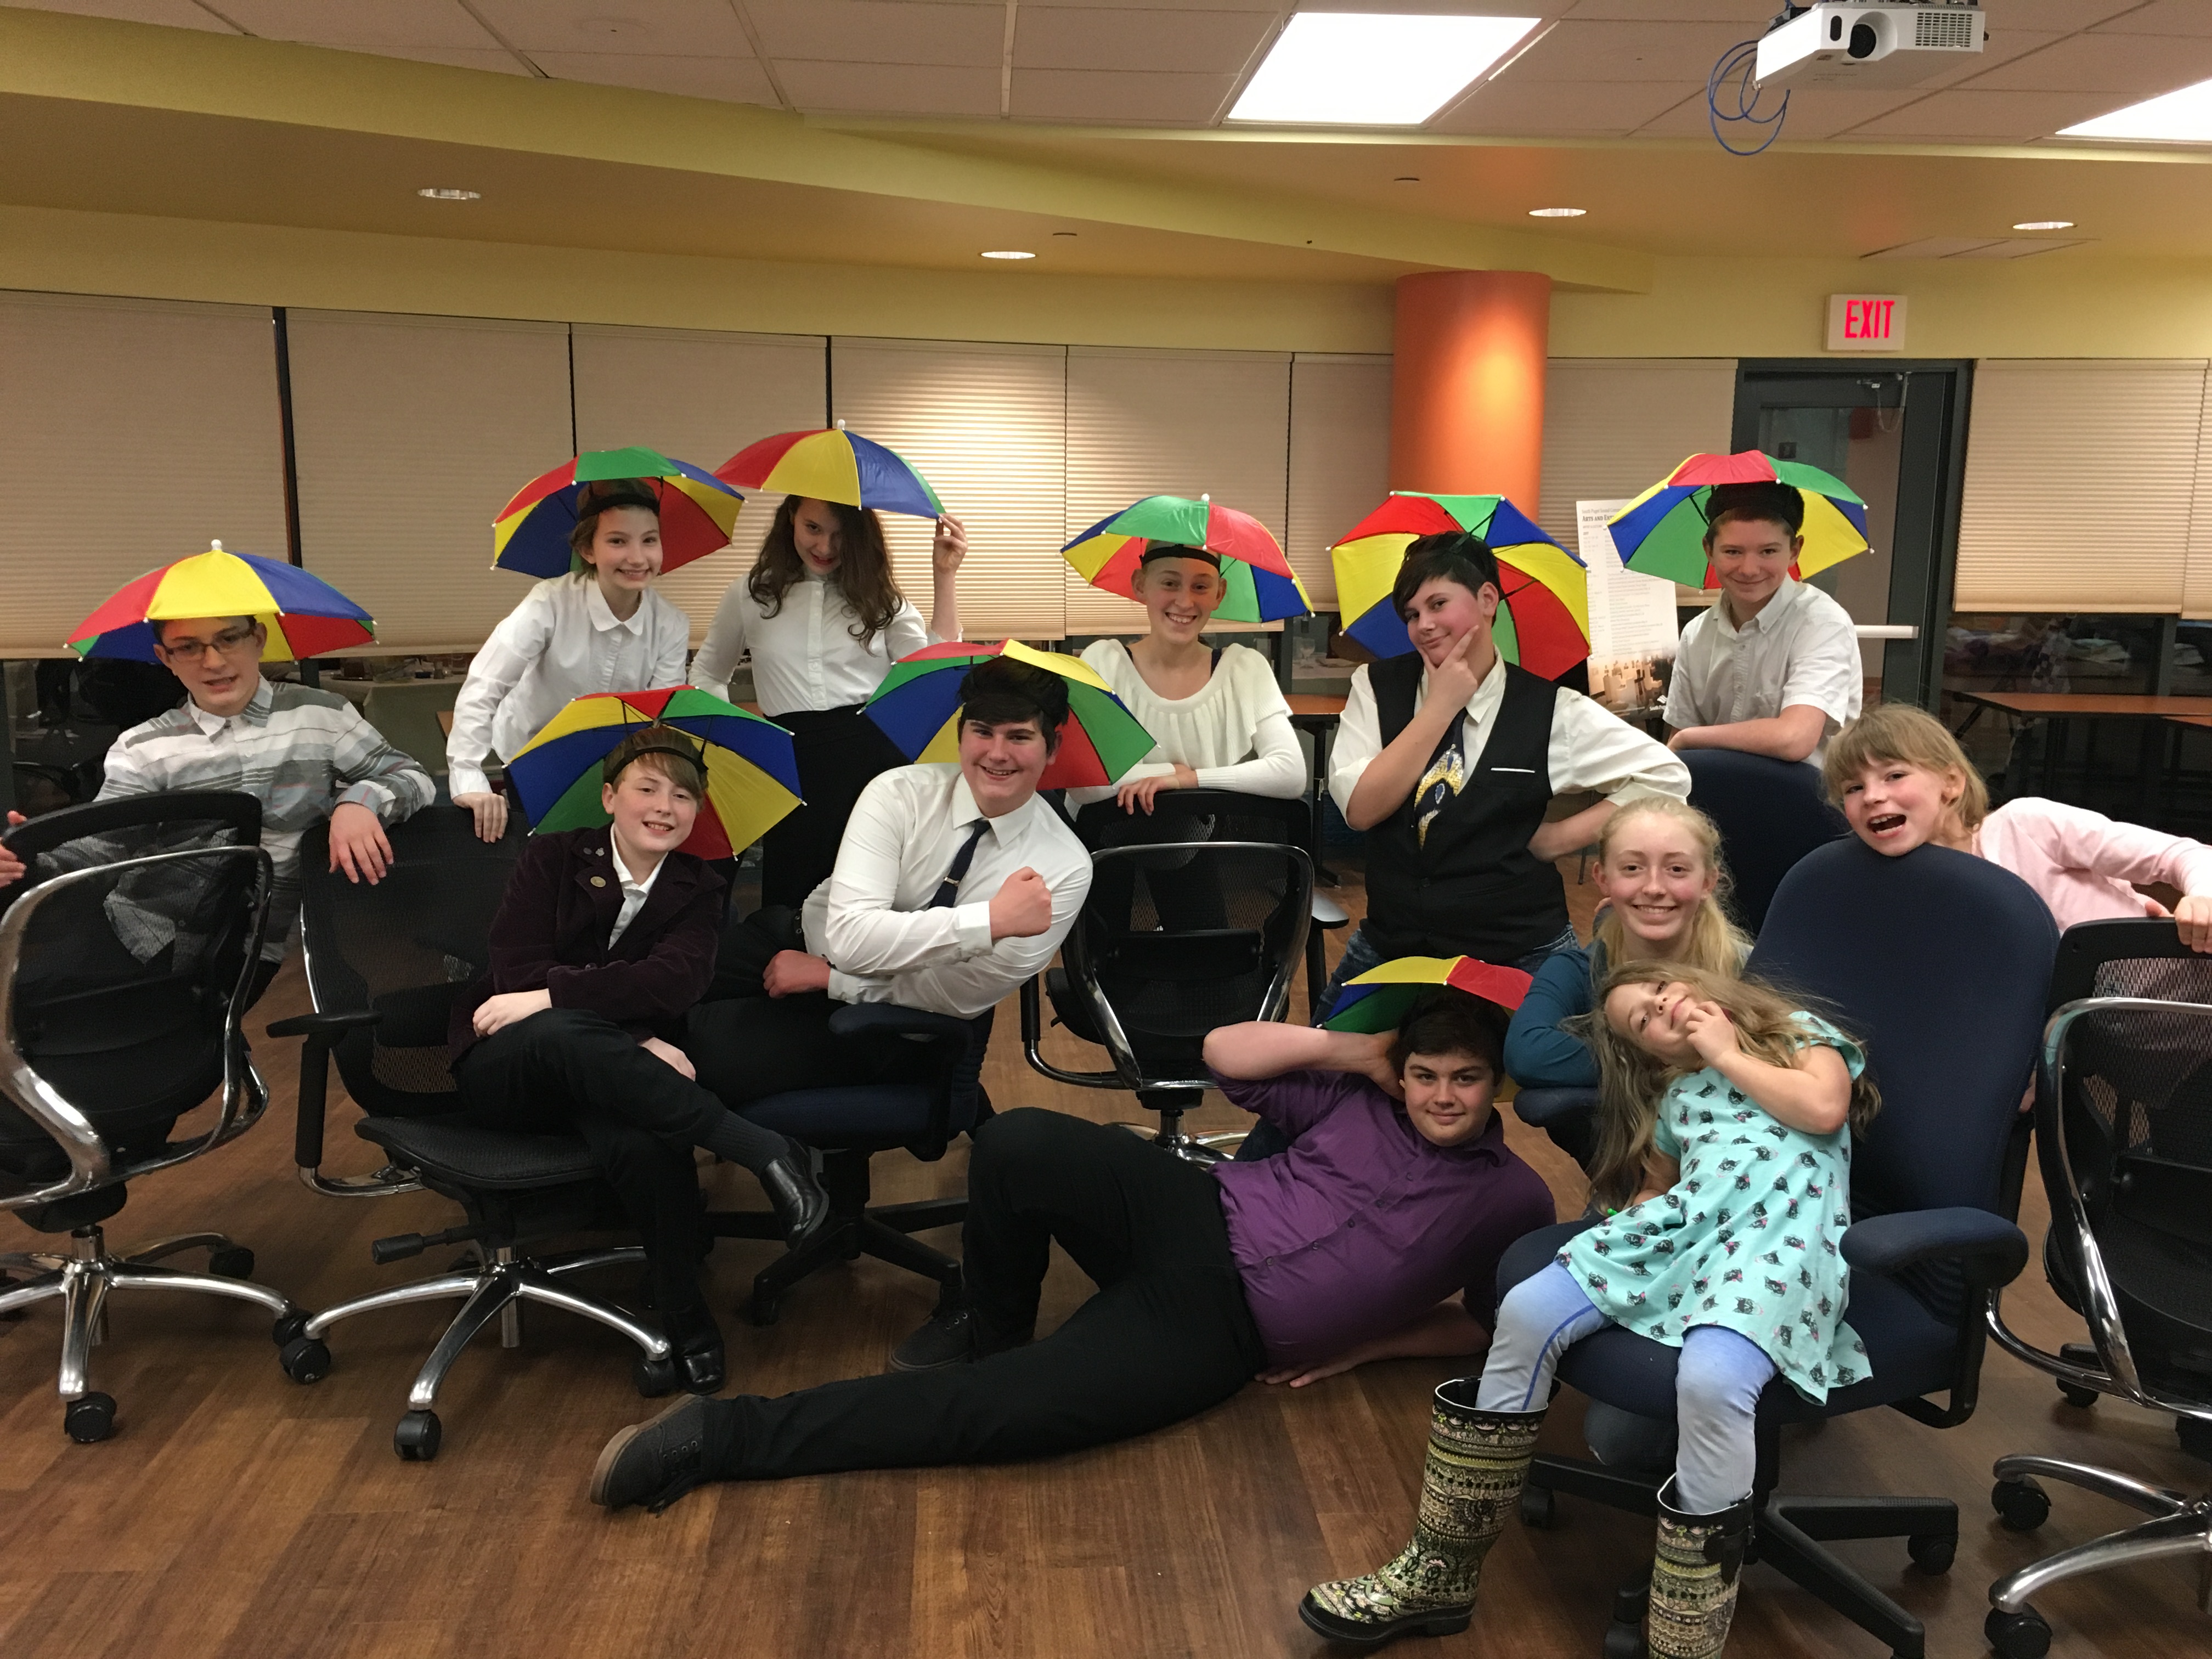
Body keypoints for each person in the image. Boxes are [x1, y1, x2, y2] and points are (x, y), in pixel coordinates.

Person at [584, 985, 1558, 1514]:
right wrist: (1360, 1054)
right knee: (1017, 1138)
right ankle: (991, 1319)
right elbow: (1223, 1050)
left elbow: (1494, 1320)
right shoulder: (1360, 1093)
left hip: (1222, 1324)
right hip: (1192, 1207)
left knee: (1011, 1415)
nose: (1439, 1094)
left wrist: (1366, 1343)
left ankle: (720, 1436)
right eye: (1424, 1073)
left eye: (1463, 1079)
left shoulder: (1511, 1194)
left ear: (1494, 1087)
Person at [1302, 961, 1879, 1657]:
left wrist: (1728, 1052)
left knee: (1711, 1380)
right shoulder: (1679, 1097)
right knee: (1527, 1308)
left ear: (1706, 990)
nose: (1664, 1011)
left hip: (1777, 1248)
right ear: (1648, 1056)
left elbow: (1822, 1110)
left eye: (1667, 994)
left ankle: (1684, 1642)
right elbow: (1660, 1186)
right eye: (1644, 1021)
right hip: (1685, 1232)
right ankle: (1440, 1572)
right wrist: (1620, 1235)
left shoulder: (1796, 1037)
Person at [447, 726, 830, 1396]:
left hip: (609, 1069)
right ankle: (761, 1150)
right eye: (647, 788)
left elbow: (674, 985)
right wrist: (618, 1028)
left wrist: (572, 1007)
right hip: (508, 1063)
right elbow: (517, 969)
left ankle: (685, 1315)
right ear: (609, 797)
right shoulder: (551, 859)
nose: (665, 807)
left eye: (683, 796)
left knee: (644, 1135)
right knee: (561, 1036)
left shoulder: (700, 886)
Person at [681, 655, 1088, 1115]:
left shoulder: (1064, 868)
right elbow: (852, 937)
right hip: (794, 934)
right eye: (982, 732)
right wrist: (990, 922)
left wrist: (835, 981)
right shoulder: (899, 793)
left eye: (1019, 737)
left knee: (694, 1051)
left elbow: (956, 997)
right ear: (961, 734)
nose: (997, 753)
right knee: (648, 996)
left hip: (890, 1022)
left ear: (1053, 747)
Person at [1322, 531, 1689, 1019]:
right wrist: (1441, 705)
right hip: (1397, 942)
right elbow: (1361, 810)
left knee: (1558, 1068)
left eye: (1438, 604)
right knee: (1311, 1069)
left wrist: (1559, 838)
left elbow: (1666, 776)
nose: (1424, 625)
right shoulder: (1375, 687)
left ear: (1488, 599)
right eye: (1412, 614)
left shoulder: (1549, 708)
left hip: (1519, 943)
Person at [47, 614, 434, 1004]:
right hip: (140, 934)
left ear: (259, 639)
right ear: (166, 657)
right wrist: (31, 859)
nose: (213, 662)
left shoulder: (320, 717)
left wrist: (359, 802)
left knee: (196, 1038)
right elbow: (101, 845)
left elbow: (411, 777)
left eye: (229, 639)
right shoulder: (144, 748)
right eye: (188, 647)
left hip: (251, 949)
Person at [690, 495, 968, 910]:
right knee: (793, 899)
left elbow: (932, 675)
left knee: (870, 896)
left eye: (841, 534)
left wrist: (944, 577)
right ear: (791, 521)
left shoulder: (882, 600)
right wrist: (739, 742)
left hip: (871, 760)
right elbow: (707, 676)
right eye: (813, 529)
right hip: (791, 761)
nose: (826, 547)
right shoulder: (751, 594)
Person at [447, 479, 690, 842]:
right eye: (618, 541)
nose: (638, 558)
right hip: (535, 755)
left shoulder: (670, 623)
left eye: (649, 540)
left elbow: (658, 717)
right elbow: (486, 684)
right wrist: (468, 777)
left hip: (617, 767)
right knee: (540, 860)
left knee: (603, 867)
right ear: (586, 549)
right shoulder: (550, 603)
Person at [1504, 797, 1750, 1092]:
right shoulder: (1578, 971)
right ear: (1603, 879)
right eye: (1632, 868)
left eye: (1677, 869)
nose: (1654, 888)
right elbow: (1527, 1055)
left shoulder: (1750, 968)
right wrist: (1683, 1051)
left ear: (1708, 882)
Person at [1069, 544, 1304, 815]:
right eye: (1170, 583)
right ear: (1140, 585)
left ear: (1220, 593)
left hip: (1209, 847)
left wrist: (1188, 779)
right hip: (1107, 848)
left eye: (1201, 587)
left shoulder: (1244, 669)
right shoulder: (1103, 663)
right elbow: (1083, 783)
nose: (1184, 602)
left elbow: (1291, 772)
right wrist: (1171, 770)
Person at [1663, 481, 1863, 768]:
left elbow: (1795, 738)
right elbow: (1680, 740)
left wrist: (1690, 739)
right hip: (1718, 793)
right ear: (1709, 550)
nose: (1749, 569)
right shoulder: (1696, 634)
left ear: (1795, 550)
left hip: (1809, 799)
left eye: (1768, 552)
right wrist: (1686, 740)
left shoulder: (1821, 623)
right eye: (1733, 552)